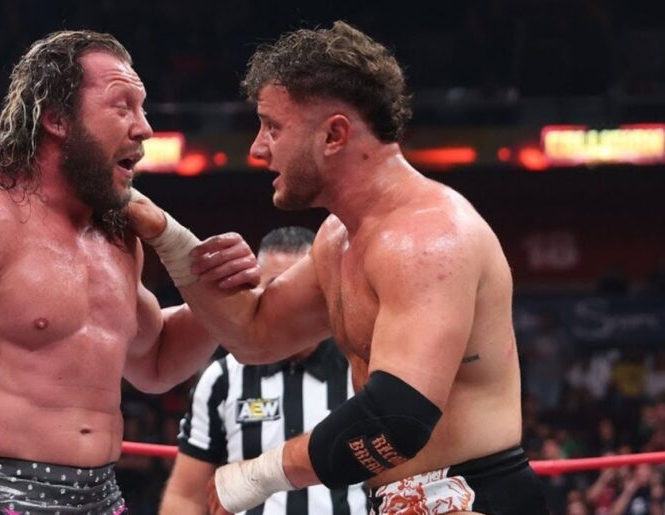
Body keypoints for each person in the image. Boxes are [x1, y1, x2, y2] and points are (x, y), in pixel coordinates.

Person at [127, 21, 549, 514]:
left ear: (334, 135)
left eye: (273, 127)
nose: (257, 148)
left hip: (471, 496)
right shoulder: (338, 239)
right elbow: (254, 334)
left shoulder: (427, 237)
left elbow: (398, 419)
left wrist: (258, 475)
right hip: (395, 498)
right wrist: (167, 236)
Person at [0, 30, 258, 515]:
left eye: (143, 108)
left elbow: (155, 362)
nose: (145, 128)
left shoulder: (116, 233)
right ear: (57, 119)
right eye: (122, 107)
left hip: (104, 498)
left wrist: (216, 290)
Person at [159, 227, 368, 515]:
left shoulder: (362, 368)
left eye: (305, 291)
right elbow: (186, 497)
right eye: (278, 290)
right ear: (255, 293)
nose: (293, 304)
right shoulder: (223, 379)